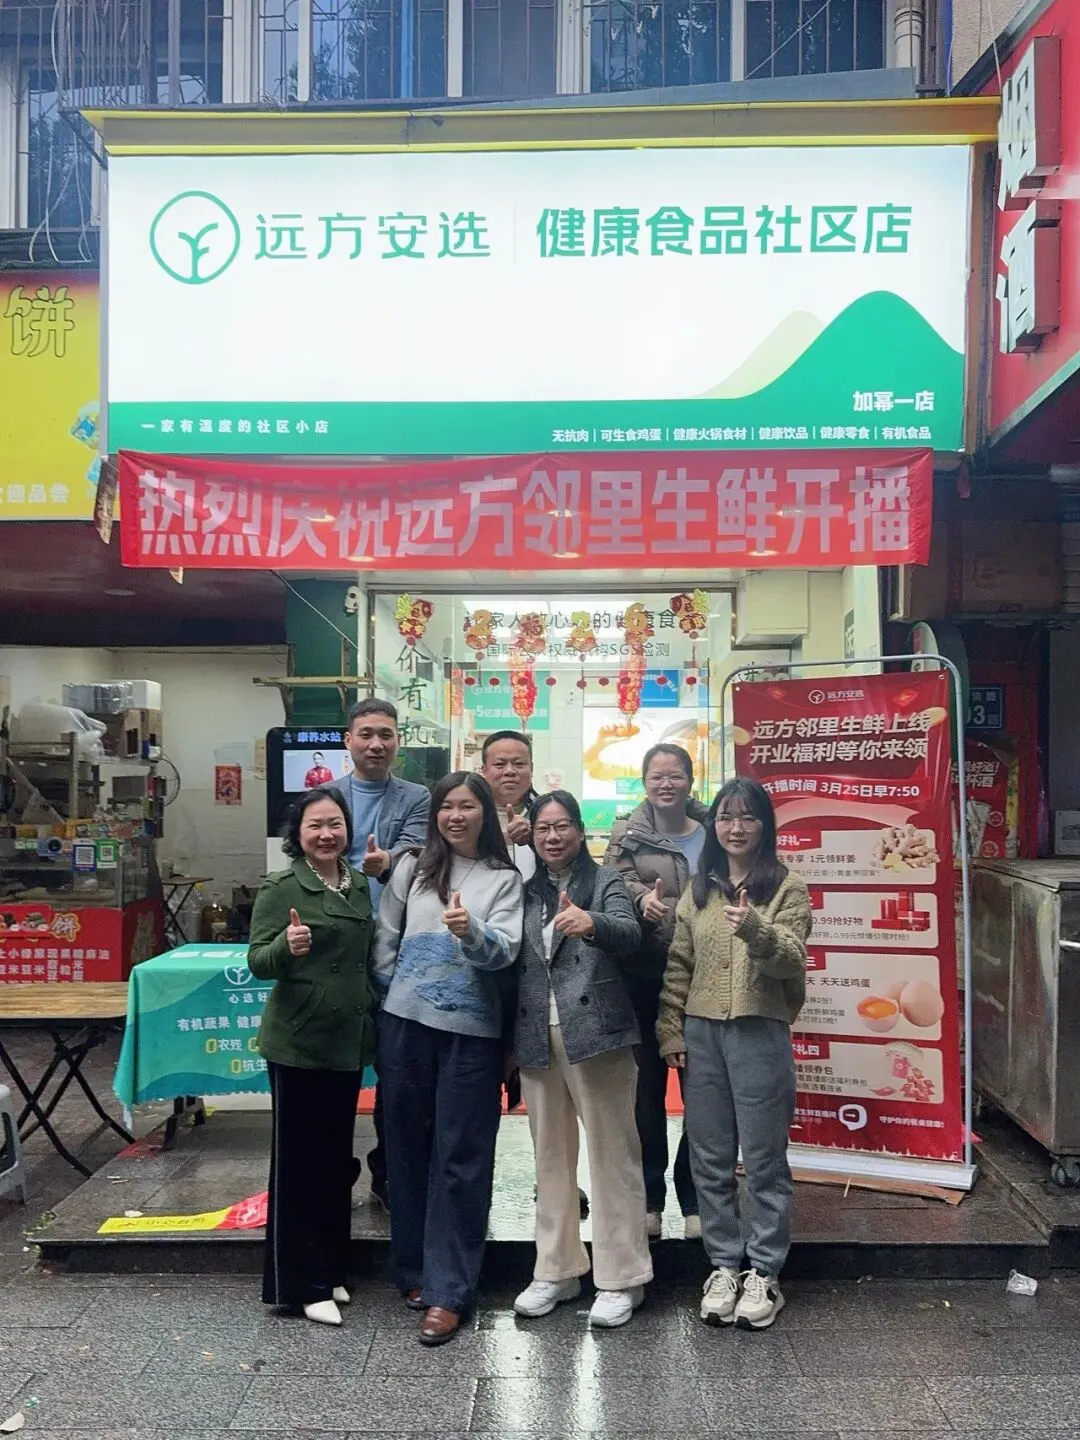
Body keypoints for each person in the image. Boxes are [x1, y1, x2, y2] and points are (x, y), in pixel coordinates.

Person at [373, 771, 523, 1346]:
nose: (455, 816)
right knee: (406, 1148)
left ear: (486, 813)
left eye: (467, 806)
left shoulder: (503, 878)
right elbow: (384, 941)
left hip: (471, 1035)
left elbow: (505, 951)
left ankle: (449, 1290)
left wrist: (471, 932)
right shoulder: (412, 868)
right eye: (446, 806)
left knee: (462, 1157)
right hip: (405, 1028)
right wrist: (392, 1002)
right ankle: (413, 1269)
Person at [657, 777, 810, 1332]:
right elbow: (679, 964)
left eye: (747, 817)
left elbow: (792, 959)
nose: (736, 828)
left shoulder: (787, 887)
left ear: (764, 824)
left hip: (759, 1033)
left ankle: (764, 1271)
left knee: (765, 1159)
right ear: (714, 825)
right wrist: (670, 1030)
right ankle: (723, 1265)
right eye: (726, 817)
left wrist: (755, 930)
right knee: (710, 1157)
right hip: (702, 1035)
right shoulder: (699, 890)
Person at [513, 791, 652, 1329]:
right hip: (536, 1035)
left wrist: (590, 922)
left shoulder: (605, 880)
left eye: (562, 826)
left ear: (579, 831)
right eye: (543, 828)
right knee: (550, 1158)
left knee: (613, 1156)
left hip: (599, 1035)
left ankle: (623, 1278)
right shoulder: (524, 890)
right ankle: (557, 1269)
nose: (553, 837)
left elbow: (630, 933)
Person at [248, 786, 378, 1327]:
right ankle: (301, 1284)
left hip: (346, 1040)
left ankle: (331, 1267)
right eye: (315, 826)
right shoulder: (282, 887)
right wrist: (287, 947)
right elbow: (258, 960)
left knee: (334, 1163)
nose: (326, 834)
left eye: (335, 824)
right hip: (299, 1042)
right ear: (297, 835)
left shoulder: (360, 883)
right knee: (299, 1167)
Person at [604, 743, 709, 1239]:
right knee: (645, 1093)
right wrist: (640, 898)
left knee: (702, 1092)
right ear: (644, 782)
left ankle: (695, 1199)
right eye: (657, 776)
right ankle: (649, 1198)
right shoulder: (627, 832)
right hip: (644, 972)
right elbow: (611, 881)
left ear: (690, 780)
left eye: (675, 775)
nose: (666, 784)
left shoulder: (713, 829)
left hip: (704, 975)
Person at [342, 698, 432, 1210]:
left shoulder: (417, 797)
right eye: (366, 734)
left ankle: (388, 1171)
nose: (376, 744)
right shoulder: (325, 796)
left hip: (395, 950)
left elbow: (417, 849)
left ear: (397, 741)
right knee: (339, 1068)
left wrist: (388, 861)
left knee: (396, 1072)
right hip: (338, 949)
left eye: (386, 735)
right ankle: (335, 1172)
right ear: (348, 740)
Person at [480, 729, 538, 880]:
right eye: (500, 764)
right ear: (484, 770)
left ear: (531, 768)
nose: (510, 771)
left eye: (519, 764)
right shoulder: (471, 815)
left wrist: (535, 838)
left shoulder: (547, 813)